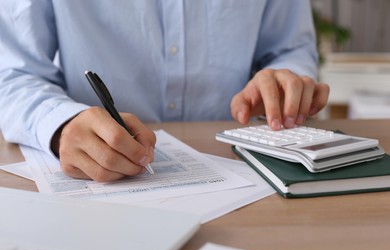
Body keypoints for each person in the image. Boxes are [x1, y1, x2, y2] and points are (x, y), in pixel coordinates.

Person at [0, 0, 329, 182]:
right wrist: (61, 125)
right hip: (95, 189)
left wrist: (286, 81)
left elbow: (290, 49)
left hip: (245, 173)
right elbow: (12, 72)